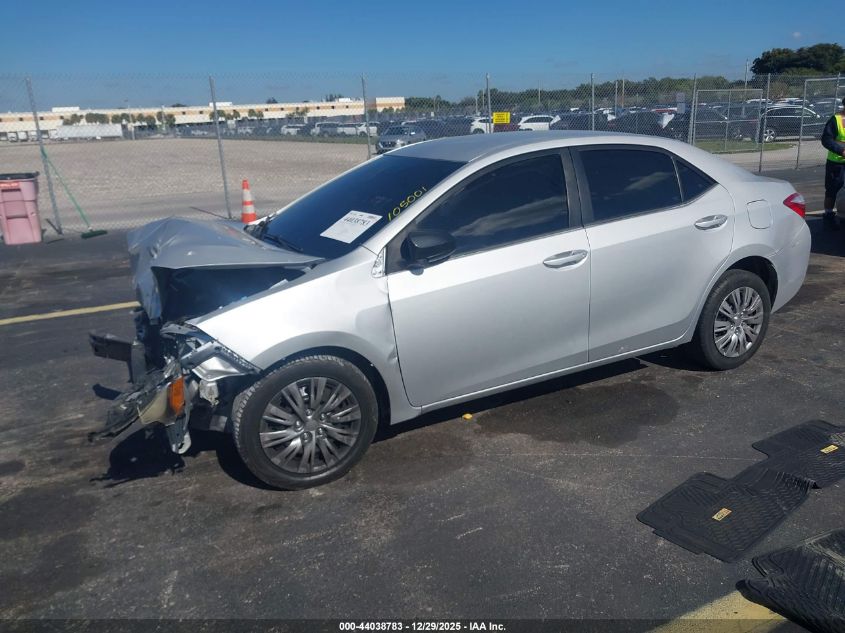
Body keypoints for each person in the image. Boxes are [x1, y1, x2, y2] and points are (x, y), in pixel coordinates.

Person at [821, 96, 845, 230]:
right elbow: (826, 140)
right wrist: (841, 151)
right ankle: (829, 214)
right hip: (836, 162)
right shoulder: (835, 120)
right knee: (833, 188)